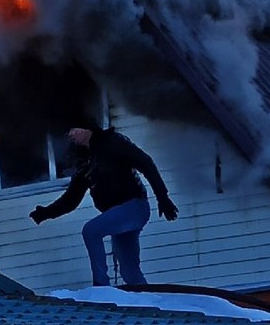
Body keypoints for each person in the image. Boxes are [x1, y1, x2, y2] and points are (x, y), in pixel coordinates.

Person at [29, 120, 178, 286]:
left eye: (73, 128)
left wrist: (162, 197)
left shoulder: (112, 143)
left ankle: (101, 285)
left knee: (91, 231)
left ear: (88, 127)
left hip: (133, 207)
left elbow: (146, 163)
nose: (70, 135)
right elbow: (72, 199)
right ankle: (147, 303)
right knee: (130, 273)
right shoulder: (84, 161)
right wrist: (46, 212)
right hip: (116, 215)